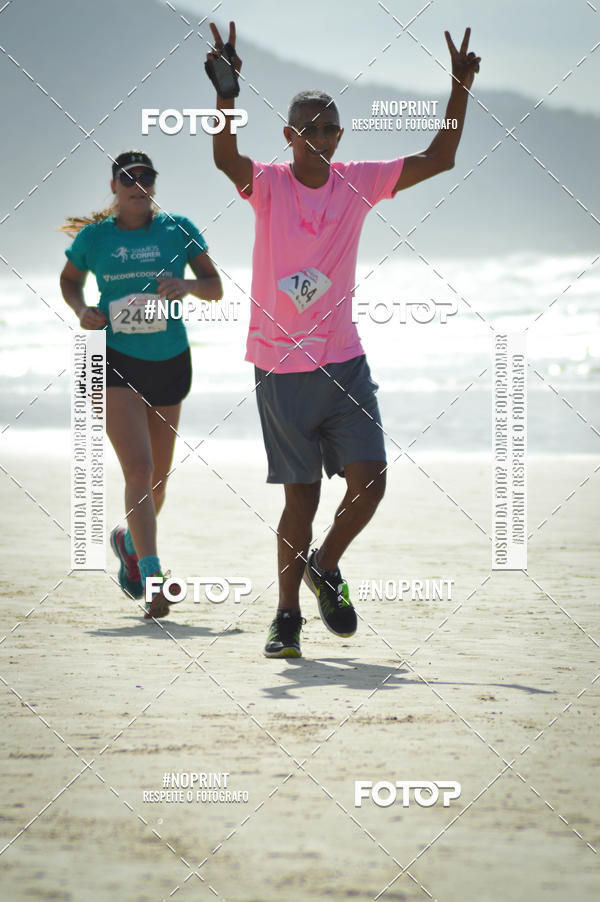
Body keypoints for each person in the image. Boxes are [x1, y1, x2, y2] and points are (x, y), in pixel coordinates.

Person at [206, 22, 480, 657]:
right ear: (289, 134)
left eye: (331, 128)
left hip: (344, 360)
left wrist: (458, 87)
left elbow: (441, 158)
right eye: (311, 127)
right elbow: (226, 160)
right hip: (280, 368)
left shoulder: (357, 181)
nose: (323, 137)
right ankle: (286, 618)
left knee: (371, 482)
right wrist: (226, 96)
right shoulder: (269, 185)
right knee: (300, 500)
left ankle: (324, 566)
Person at [60, 150, 222, 618]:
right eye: (127, 179)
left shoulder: (178, 228)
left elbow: (215, 286)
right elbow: (69, 281)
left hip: (169, 360)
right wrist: (82, 310)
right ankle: (153, 577)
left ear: (154, 184)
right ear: (114, 186)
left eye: (146, 177)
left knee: (158, 482)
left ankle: (128, 543)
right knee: (139, 470)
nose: (137, 185)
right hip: (111, 359)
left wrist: (187, 287)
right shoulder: (95, 238)